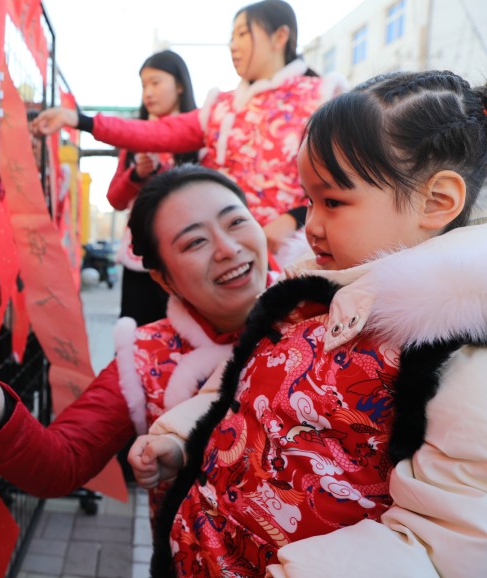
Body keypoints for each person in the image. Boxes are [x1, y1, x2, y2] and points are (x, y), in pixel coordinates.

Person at [128, 70, 487, 577]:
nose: (311, 223)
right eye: (310, 200)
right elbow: (238, 399)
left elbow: (448, 541)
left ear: (436, 202)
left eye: (334, 201)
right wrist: (176, 438)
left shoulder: (459, 352)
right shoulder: (304, 298)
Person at [0, 165, 271, 520]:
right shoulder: (147, 356)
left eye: (236, 221)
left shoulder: (326, 311)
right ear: (163, 279)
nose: (228, 249)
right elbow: (60, 464)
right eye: (195, 242)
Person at [32, 0, 346, 268]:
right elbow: (154, 132)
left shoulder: (322, 97)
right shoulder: (220, 107)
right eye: (231, 36)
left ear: (280, 37)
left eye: (242, 34)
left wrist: (294, 219)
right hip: (226, 254)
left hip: (294, 253)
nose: (232, 45)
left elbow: (341, 183)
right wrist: (80, 120)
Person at [107, 49, 198, 326]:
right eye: (144, 84)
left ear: (180, 84)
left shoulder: (199, 134)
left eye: (156, 82)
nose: (148, 92)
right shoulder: (135, 137)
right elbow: (115, 199)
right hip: (141, 258)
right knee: (134, 334)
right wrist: (136, 174)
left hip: (187, 257)